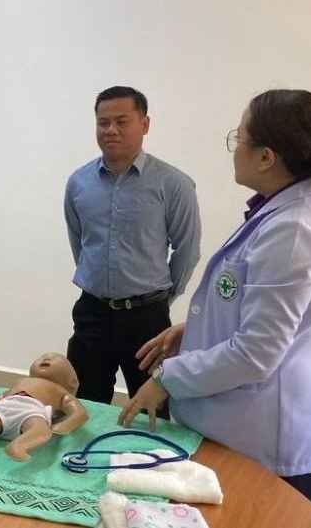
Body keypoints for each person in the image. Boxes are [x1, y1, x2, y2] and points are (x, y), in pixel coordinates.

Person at [118, 89, 311, 511]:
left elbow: (256, 354)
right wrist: (197, 328)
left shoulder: (293, 230)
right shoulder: (282, 212)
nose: (234, 148)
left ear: (266, 157)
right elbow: (263, 312)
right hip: (244, 430)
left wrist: (166, 379)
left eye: (239, 137)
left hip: (270, 444)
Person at [64, 85, 201, 406]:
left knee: (151, 410)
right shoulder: (79, 182)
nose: (111, 130)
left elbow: (187, 250)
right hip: (92, 313)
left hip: (147, 318)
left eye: (122, 121)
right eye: (103, 122)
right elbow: (80, 243)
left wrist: (163, 299)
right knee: (84, 404)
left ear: (145, 124)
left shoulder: (173, 184)